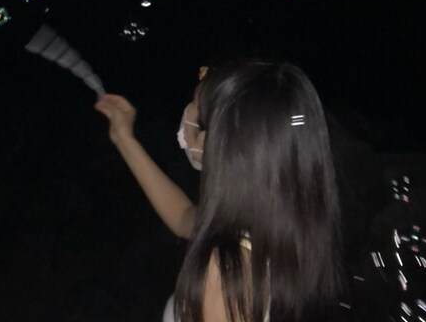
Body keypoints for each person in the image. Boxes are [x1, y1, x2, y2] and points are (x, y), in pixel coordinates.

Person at [94, 58, 346, 322]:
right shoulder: (278, 227)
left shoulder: (227, 271)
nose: (186, 121)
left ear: (231, 143)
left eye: (198, 115)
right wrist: (124, 139)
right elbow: (184, 217)